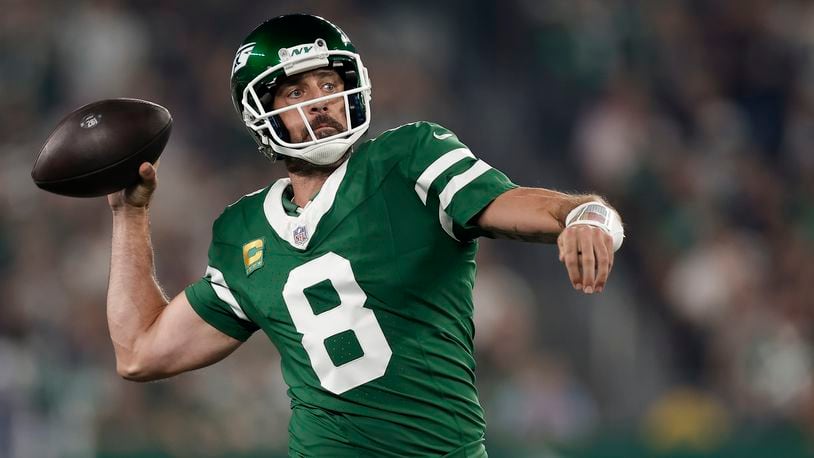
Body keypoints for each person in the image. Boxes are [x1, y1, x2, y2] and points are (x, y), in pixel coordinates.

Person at [106, 13, 624, 457]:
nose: (321, 102)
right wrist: (130, 216)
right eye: (296, 91)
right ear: (261, 112)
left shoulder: (409, 159)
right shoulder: (241, 232)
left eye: (330, 85)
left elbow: (529, 206)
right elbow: (140, 352)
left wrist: (586, 215)